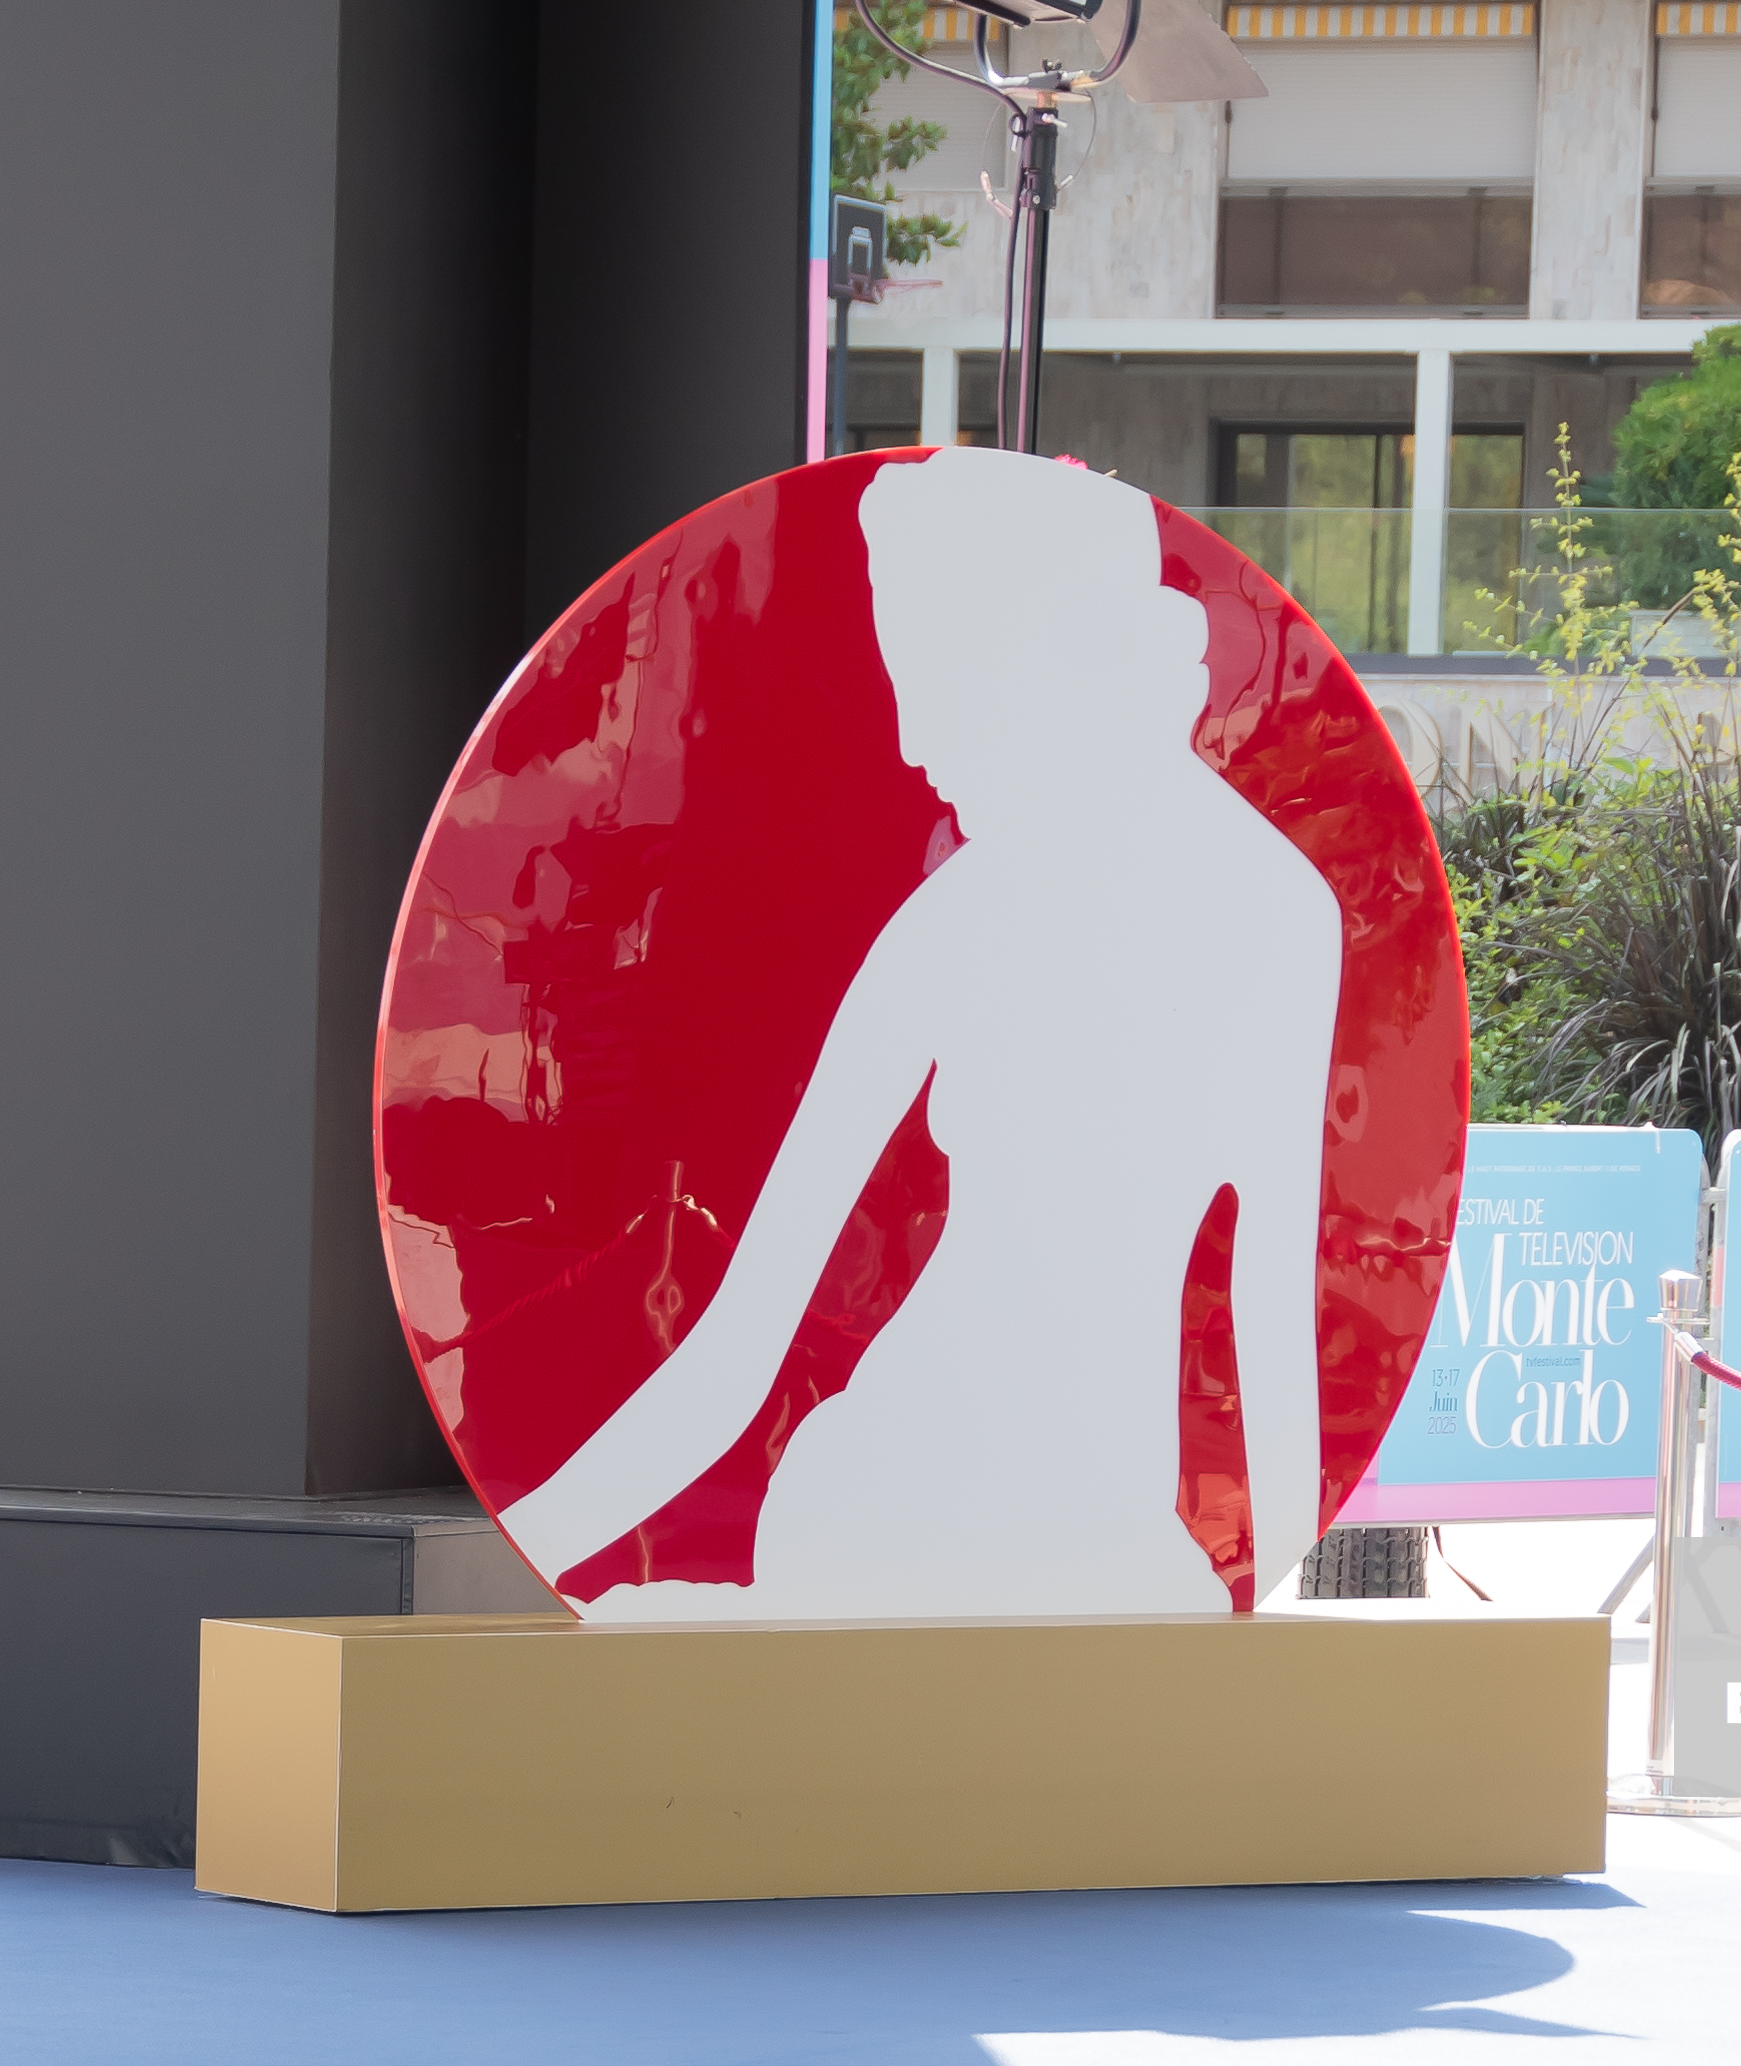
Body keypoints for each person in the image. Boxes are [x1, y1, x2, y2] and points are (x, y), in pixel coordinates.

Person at [502, 447, 1347, 1619]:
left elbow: (1275, 1321)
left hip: (1088, 1542)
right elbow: (738, 1344)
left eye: (936, 682)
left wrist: (1283, 1604)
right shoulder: (971, 913)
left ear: (1043, 661)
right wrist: (519, 1555)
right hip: (888, 1503)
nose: (908, 742)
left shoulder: (1271, 916)